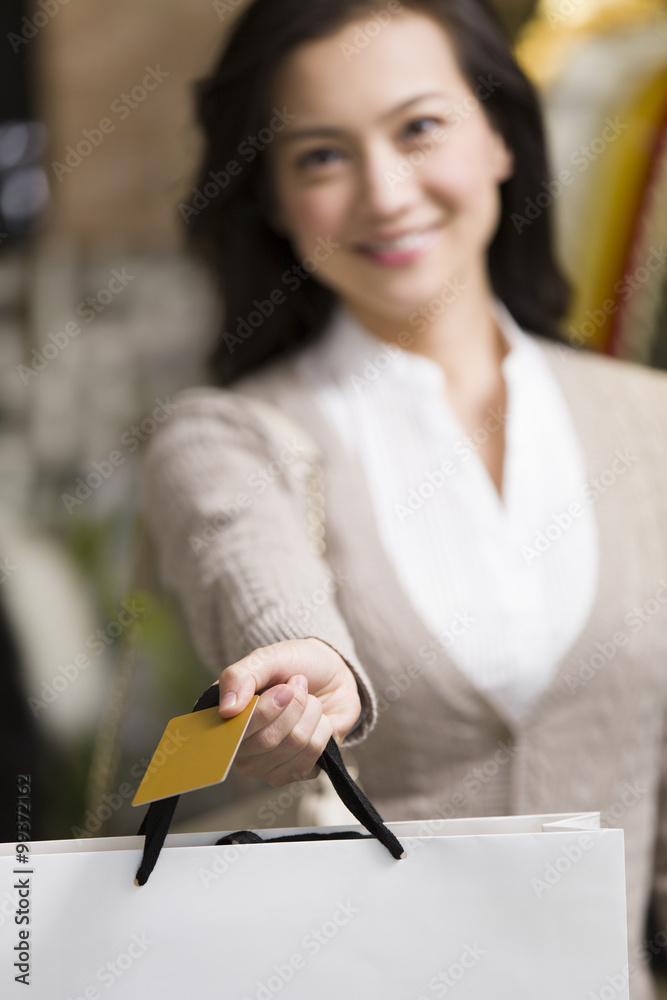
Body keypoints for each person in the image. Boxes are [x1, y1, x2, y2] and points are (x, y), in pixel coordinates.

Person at [142, 1, 667, 994]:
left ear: (502, 136)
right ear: (269, 195)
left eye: (418, 128)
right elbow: (246, 562)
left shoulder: (652, 425)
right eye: (320, 157)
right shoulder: (228, 437)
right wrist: (302, 664)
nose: (385, 192)